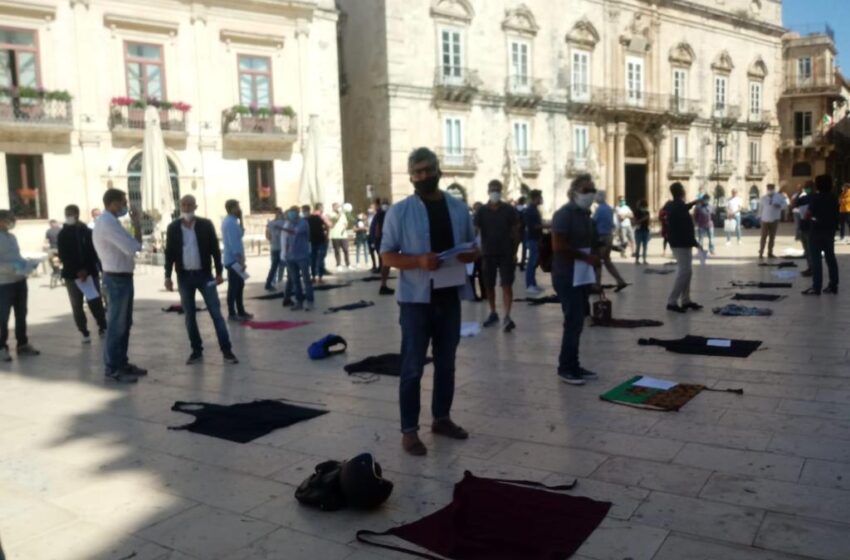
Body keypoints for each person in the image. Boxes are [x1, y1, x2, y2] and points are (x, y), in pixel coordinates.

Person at [381, 147, 477, 456]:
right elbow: (387, 255)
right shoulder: (400, 211)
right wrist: (419, 261)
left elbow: (474, 248)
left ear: (438, 170)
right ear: (410, 176)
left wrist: (470, 254)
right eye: (417, 172)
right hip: (415, 300)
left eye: (427, 170)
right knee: (412, 367)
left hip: (449, 296)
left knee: (446, 363)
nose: (422, 176)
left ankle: (441, 418)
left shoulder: (460, 209)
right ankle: (409, 431)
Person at [165, 195, 239, 365]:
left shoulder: (205, 225)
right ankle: (196, 350)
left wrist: (219, 272)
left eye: (190, 204)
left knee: (216, 313)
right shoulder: (173, 227)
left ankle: (226, 350)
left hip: (205, 275)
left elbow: (215, 249)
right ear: (180, 206)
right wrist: (167, 276)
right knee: (189, 316)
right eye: (183, 204)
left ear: (195, 206)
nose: (186, 207)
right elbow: (169, 253)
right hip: (184, 276)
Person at [92, 188, 146, 382]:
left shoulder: (111, 221)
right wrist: (136, 228)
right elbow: (133, 247)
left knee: (124, 323)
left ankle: (121, 362)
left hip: (122, 277)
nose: (125, 206)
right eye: (123, 202)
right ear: (113, 203)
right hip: (116, 279)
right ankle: (112, 367)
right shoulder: (107, 223)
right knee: (117, 324)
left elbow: (134, 246)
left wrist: (136, 224)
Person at [550, 174, 600, 385]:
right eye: (585, 190)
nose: (589, 194)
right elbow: (558, 246)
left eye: (592, 190)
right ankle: (565, 367)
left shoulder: (586, 215)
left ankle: (574, 363)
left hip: (581, 275)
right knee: (572, 320)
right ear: (574, 192)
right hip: (566, 274)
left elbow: (591, 242)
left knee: (578, 321)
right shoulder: (564, 214)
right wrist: (585, 257)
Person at [57, 204, 106, 343]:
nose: (69, 216)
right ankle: (84, 331)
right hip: (72, 276)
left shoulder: (86, 231)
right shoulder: (63, 234)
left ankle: (102, 325)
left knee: (95, 301)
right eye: (67, 214)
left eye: (71, 213)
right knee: (76, 305)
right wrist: (77, 271)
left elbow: (93, 253)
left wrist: (87, 269)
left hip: (89, 273)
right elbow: (63, 255)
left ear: (77, 214)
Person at [475, 180, 520, 332]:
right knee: (489, 284)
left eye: (497, 189)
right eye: (492, 189)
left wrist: (514, 252)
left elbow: (515, 232)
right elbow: (475, 231)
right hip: (488, 253)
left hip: (506, 253)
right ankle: (493, 311)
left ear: (501, 191)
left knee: (506, 284)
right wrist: (475, 249)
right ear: (488, 191)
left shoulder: (509, 210)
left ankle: (507, 315)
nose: (495, 191)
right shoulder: (481, 211)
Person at [0, 210, 40, 362]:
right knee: (2, 317)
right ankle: (1, 346)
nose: (12, 222)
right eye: (9, 219)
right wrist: (12, 267)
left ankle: (22, 344)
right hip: (3, 284)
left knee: (21, 314)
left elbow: (16, 257)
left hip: (19, 281)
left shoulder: (11, 237)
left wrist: (27, 264)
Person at [663, 182, 704, 313]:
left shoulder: (672, 205)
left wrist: (693, 203)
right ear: (681, 192)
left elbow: (682, 208)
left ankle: (686, 300)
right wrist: (696, 243)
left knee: (688, 271)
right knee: (684, 272)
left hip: (679, 242)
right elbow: (686, 229)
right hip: (681, 243)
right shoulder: (678, 207)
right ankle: (672, 301)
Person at [801, 174, 839, 295]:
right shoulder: (833, 198)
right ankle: (833, 285)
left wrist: (808, 220)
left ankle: (816, 287)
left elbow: (808, 214)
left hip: (816, 232)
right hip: (829, 232)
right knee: (831, 259)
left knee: (816, 260)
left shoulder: (816, 198)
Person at [221, 199, 252, 321]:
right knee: (234, 286)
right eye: (237, 207)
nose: (239, 209)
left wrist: (242, 220)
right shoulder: (230, 223)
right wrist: (240, 261)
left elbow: (240, 234)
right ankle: (232, 313)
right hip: (234, 260)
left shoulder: (234, 221)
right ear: (232, 208)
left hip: (235, 259)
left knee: (240, 285)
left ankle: (240, 310)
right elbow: (233, 242)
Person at [591, 190, 628, 291]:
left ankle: (596, 285)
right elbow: (613, 224)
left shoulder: (599, 209)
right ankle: (620, 281)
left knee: (597, 261)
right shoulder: (609, 208)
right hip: (609, 236)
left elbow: (593, 222)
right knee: (607, 261)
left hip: (601, 237)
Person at [284, 206, 314, 310]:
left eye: (293, 212)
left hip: (302, 255)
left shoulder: (303, 223)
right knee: (295, 280)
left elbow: (295, 232)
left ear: (297, 213)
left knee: (306, 279)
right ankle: (299, 301)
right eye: (290, 213)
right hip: (291, 256)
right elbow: (287, 239)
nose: (290, 215)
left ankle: (310, 302)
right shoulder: (290, 224)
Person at [758, 184, 787, 259]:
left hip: (775, 219)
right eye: (768, 189)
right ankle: (761, 252)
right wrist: (759, 217)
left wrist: (780, 206)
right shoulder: (764, 198)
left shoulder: (779, 197)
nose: (770, 190)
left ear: (774, 189)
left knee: (772, 237)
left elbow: (785, 204)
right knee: (763, 237)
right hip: (765, 219)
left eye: (771, 188)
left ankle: (770, 252)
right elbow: (760, 208)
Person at [524, 190, 544, 293]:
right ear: (535, 198)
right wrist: (547, 225)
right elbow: (533, 226)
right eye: (540, 197)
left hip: (536, 238)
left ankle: (533, 283)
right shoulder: (530, 210)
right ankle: (530, 285)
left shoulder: (535, 209)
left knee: (534, 262)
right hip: (532, 239)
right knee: (531, 262)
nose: (541, 199)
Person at [264, 208, 286, 291]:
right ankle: (281, 282)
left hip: (274, 247)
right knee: (286, 266)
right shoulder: (284, 223)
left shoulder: (270, 223)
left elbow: (267, 236)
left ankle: (269, 283)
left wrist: (273, 239)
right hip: (282, 248)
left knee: (274, 267)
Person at [308, 203, 330, 283]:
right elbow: (329, 225)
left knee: (313, 259)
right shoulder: (321, 216)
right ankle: (320, 277)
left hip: (312, 240)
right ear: (320, 208)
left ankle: (313, 276)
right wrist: (327, 235)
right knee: (320, 259)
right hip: (321, 239)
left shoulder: (309, 217)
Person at [329, 202, 351, 270]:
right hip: (335, 235)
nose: (338, 208)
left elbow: (346, 223)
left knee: (346, 250)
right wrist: (339, 214)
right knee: (337, 251)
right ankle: (338, 264)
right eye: (336, 207)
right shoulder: (330, 214)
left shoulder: (343, 214)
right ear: (333, 207)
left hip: (343, 235)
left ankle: (348, 264)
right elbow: (334, 220)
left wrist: (345, 227)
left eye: (338, 207)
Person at [633, 198, 650, 264]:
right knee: (638, 246)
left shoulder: (647, 212)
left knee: (645, 246)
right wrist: (643, 219)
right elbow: (635, 222)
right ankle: (637, 260)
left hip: (645, 230)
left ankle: (644, 259)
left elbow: (648, 221)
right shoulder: (636, 212)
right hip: (639, 230)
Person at [516, 195, 528, 271]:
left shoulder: (514, 209)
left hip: (516, 231)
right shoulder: (525, 210)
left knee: (515, 248)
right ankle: (522, 264)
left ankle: (514, 261)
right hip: (523, 231)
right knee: (524, 249)